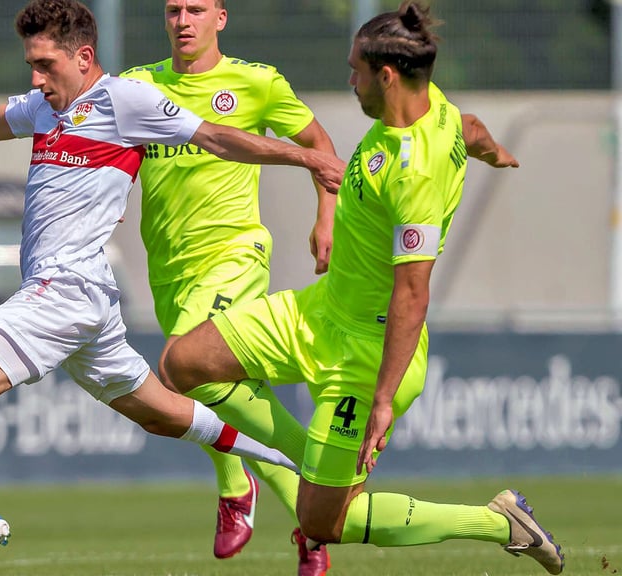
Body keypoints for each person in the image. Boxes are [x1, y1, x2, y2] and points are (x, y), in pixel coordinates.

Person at [0, 1, 346, 575]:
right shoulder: (46, 107)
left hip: (65, 290)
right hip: (91, 300)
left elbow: (218, 138)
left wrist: (307, 160)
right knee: (163, 414)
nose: (35, 78)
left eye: (45, 65)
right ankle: (277, 463)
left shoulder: (126, 100)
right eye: (31, 65)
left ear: (84, 57)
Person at [165, 3, 565, 575]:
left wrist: (382, 399)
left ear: (387, 75)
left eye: (354, 70)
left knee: (325, 523)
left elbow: (413, 295)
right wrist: (493, 152)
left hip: (364, 356)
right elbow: (469, 128)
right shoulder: (435, 114)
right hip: (317, 313)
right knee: (184, 363)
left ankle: (500, 523)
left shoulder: (414, 173)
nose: (348, 80)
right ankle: (307, 457)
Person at [120, 0, 337, 568]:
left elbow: (319, 146)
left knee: (179, 367)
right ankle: (285, 511)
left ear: (221, 17)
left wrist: (326, 218)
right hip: (168, 268)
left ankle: (250, 488)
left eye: (196, 9)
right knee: (214, 389)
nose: (182, 21)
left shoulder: (256, 82)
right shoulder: (139, 85)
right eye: (173, 10)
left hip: (235, 253)